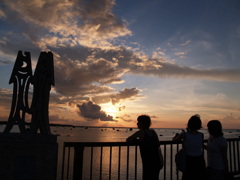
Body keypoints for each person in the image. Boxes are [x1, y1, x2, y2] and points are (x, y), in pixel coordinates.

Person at [126, 115, 162, 180]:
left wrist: (138, 141)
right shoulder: (153, 132)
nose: (137, 123)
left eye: (138, 122)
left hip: (148, 162)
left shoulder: (140, 133)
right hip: (156, 161)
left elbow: (128, 140)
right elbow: (158, 144)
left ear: (143, 123)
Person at [173, 114, 206, 180]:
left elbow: (175, 140)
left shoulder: (185, 134)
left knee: (187, 176)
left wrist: (176, 136)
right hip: (199, 159)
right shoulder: (201, 135)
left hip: (188, 159)